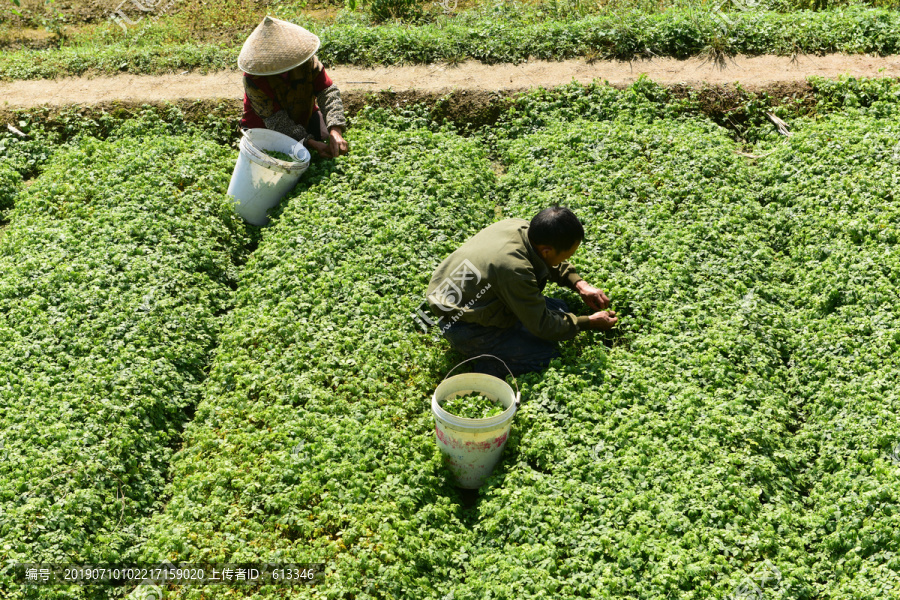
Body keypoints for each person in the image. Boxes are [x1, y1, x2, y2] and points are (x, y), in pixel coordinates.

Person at [425, 207, 617, 378]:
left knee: (561, 309)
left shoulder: (520, 228)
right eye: (567, 255)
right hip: (462, 325)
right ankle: (490, 366)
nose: (567, 259)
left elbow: (551, 263)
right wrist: (590, 322)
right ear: (547, 251)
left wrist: (580, 284)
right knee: (547, 355)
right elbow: (543, 325)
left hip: (474, 295)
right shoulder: (514, 269)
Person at [238, 16, 349, 160]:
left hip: (303, 116)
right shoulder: (254, 78)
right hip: (265, 129)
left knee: (328, 136)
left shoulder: (307, 63)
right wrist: (311, 143)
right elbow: (275, 120)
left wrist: (335, 129)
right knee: (275, 157)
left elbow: (327, 91)